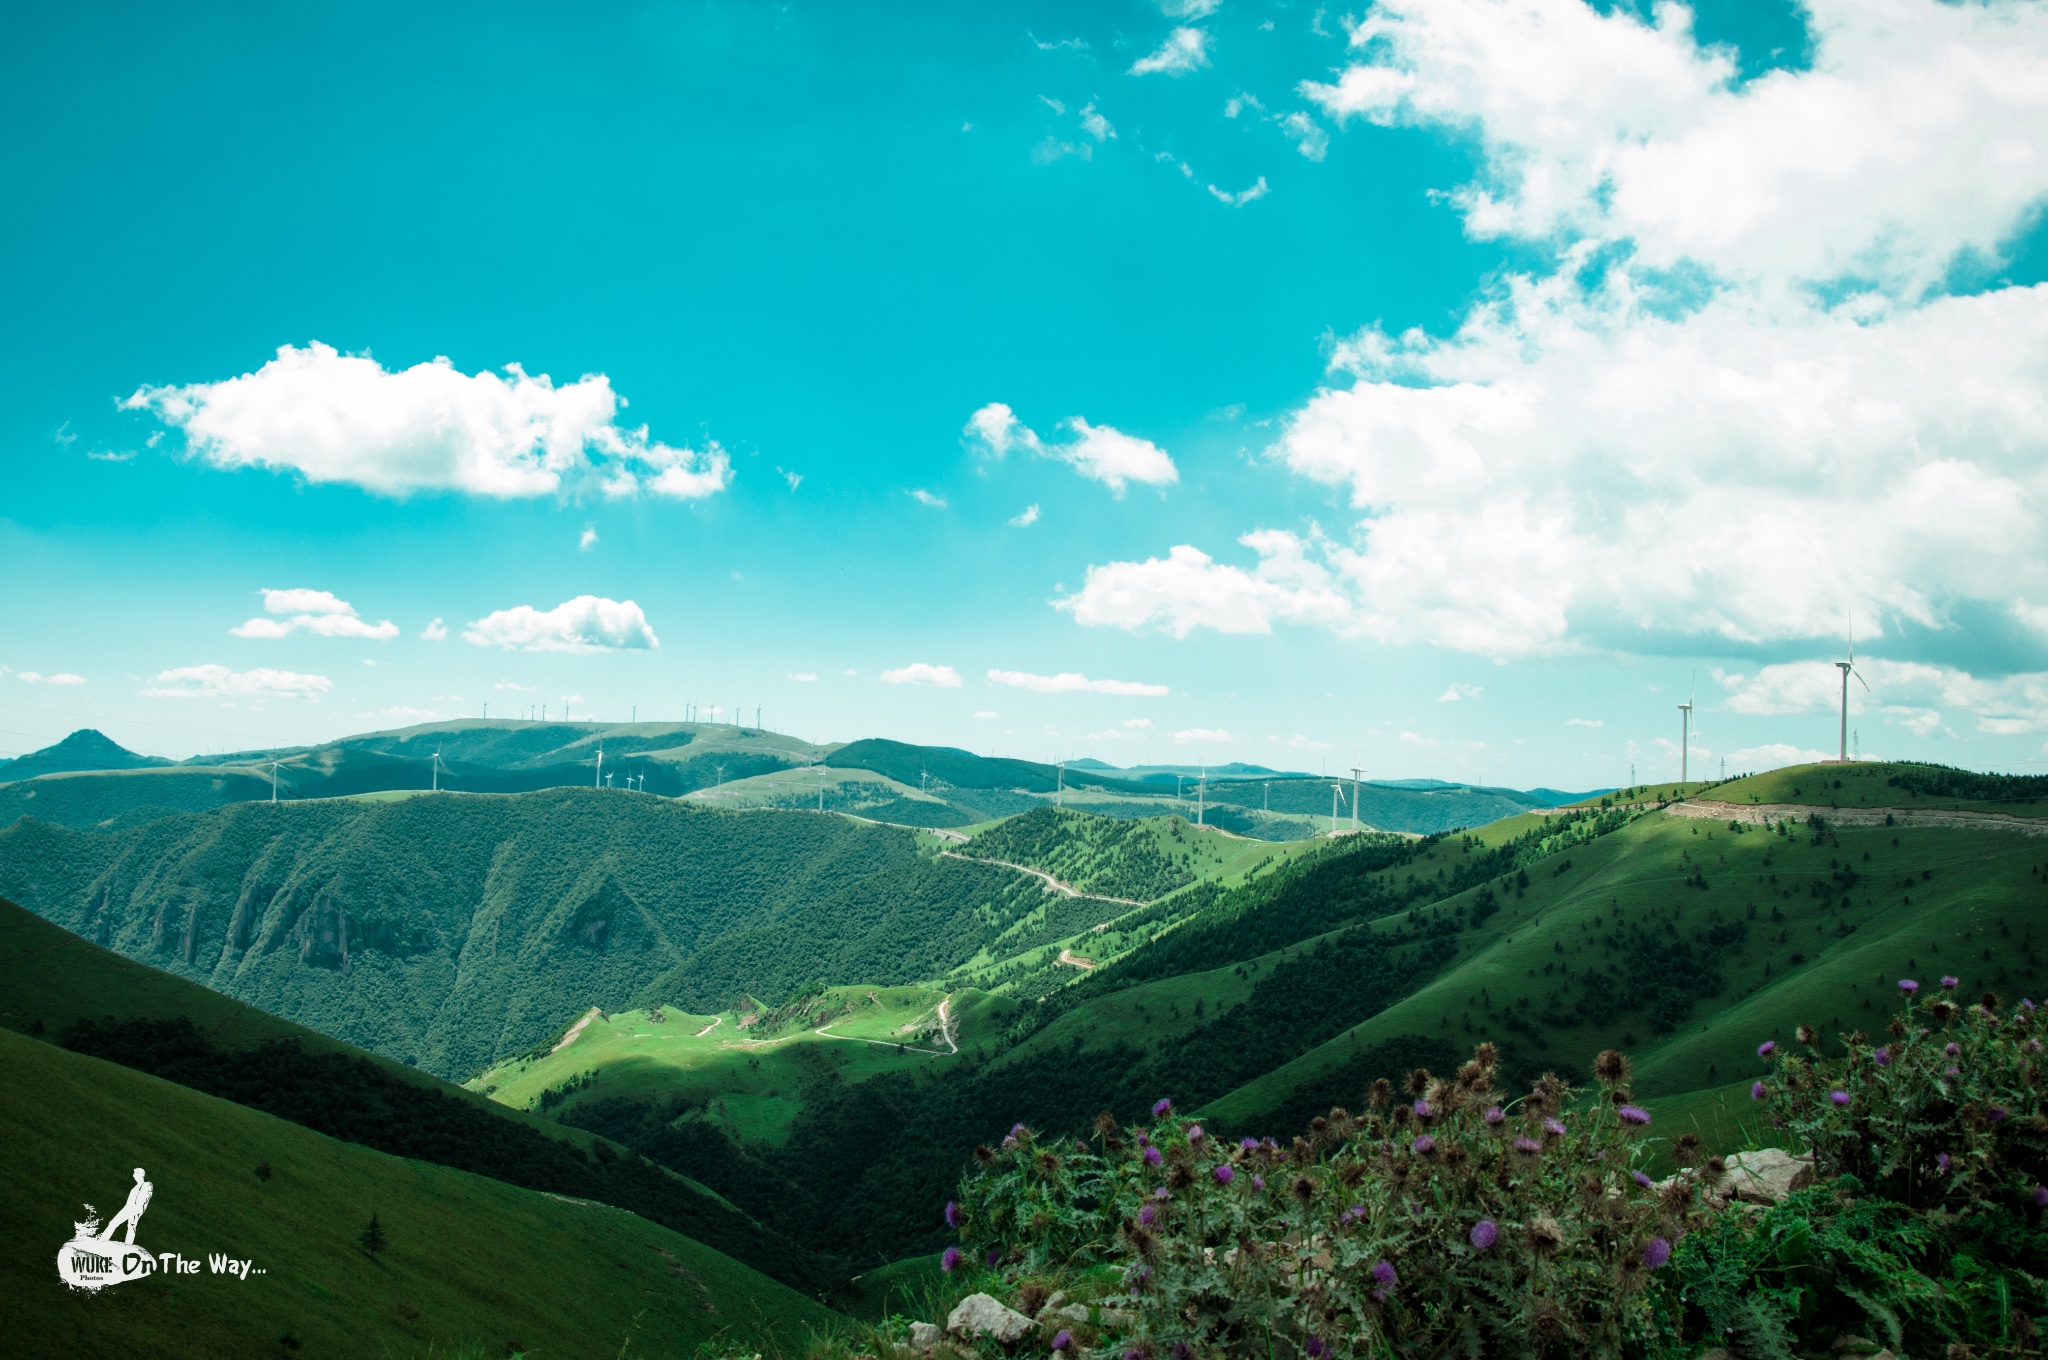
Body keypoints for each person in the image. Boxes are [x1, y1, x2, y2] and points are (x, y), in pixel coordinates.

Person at [102, 1168, 152, 1244]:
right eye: (134, 1173)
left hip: (136, 1208)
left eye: (137, 1173)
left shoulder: (147, 1184)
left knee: (131, 1225)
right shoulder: (134, 1188)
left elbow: (145, 1197)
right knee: (114, 1223)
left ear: (142, 1174)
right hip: (128, 1208)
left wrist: (138, 1208)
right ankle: (103, 1240)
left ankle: (128, 1244)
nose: (134, 1175)